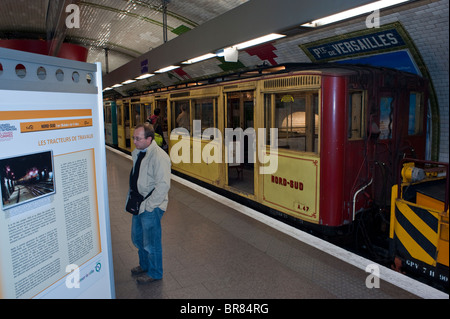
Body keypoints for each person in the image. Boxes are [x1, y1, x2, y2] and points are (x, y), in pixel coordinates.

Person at [129, 123, 171, 283]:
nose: (134, 141)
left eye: (138, 138)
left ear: (149, 139)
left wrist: (150, 206)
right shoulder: (139, 152)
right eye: (134, 137)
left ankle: (155, 272)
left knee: (151, 242)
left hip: (150, 207)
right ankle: (144, 265)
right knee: (137, 238)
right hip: (138, 204)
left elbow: (163, 185)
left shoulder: (159, 156)